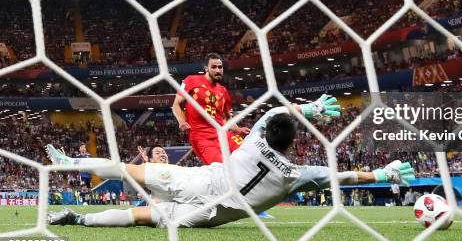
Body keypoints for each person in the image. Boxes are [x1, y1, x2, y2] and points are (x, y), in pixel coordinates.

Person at [46, 97, 414, 228]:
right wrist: (382, 172)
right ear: (292, 144)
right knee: (142, 218)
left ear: (267, 134)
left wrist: (311, 109)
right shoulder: (298, 176)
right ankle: (78, 218)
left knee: (130, 170)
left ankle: (68, 164)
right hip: (211, 214)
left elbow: (275, 112)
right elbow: (344, 176)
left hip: (199, 181)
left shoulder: (255, 139)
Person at [172, 52, 250, 165]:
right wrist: (181, 121)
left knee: (248, 153)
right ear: (206, 68)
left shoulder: (223, 91)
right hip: (202, 138)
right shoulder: (191, 81)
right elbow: (176, 104)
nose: (218, 70)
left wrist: (238, 129)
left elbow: (227, 119)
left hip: (223, 134)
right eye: (213, 67)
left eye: (220, 67)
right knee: (224, 167)